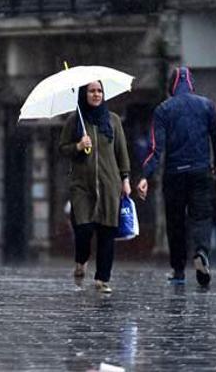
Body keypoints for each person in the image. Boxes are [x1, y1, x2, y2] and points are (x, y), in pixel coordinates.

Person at [137, 67, 216, 287]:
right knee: (202, 216)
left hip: (174, 174)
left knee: (175, 222)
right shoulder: (207, 106)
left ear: (171, 87)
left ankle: (178, 271)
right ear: (192, 84)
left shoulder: (163, 110)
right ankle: (201, 252)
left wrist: (145, 175)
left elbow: (156, 147)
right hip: (200, 170)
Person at [59, 81, 130, 294]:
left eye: (99, 91)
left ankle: (102, 279)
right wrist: (78, 146)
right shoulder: (74, 121)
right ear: (84, 94)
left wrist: (125, 179)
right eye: (91, 91)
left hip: (109, 184)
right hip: (82, 186)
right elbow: (63, 149)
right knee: (83, 228)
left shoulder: (113, 121)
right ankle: (81, 260)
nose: (96, 94)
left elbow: (121, 152)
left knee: (107, 231)